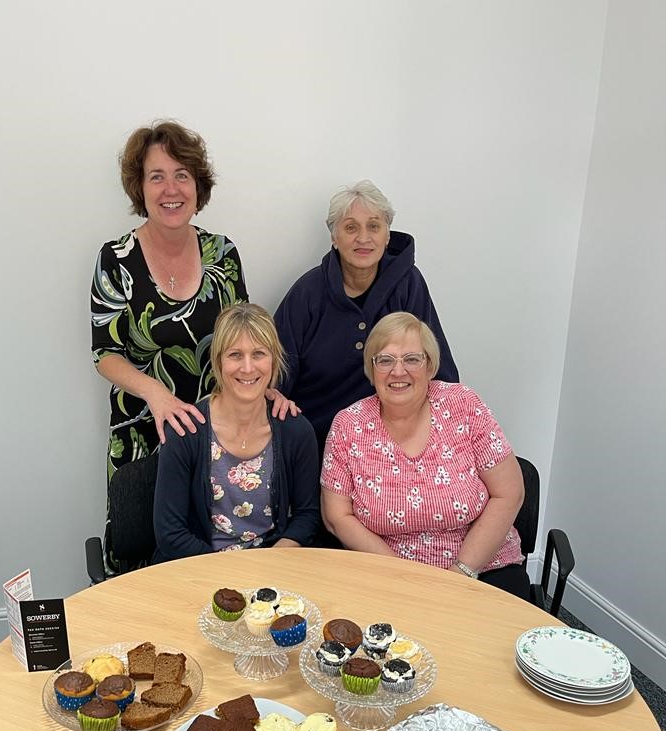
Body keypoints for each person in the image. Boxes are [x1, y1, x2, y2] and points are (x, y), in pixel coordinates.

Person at [90, 121, 291, 572]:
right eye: (156, 176)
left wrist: (262, 386)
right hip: (144, 432)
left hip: (219, 431)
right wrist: (158, 395)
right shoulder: (115, 258)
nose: (170, 188)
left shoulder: (223, 254)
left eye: (182, 174)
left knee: (215, 554)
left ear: (198, 186)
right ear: (139, 188)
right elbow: (105, 353)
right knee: (148, 560)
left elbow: (243, 338)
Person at [320, 313, 528, 599]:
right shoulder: (348, 425)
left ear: (430, 365)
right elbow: (337, 516)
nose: (398, 371)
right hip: (385, 572)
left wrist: (461, 572)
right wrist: (404, 578)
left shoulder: (463, 405)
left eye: (412, 359)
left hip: (482, 569)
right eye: (385, 360)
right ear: (371, 368)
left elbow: (509, 493)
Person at [275, 179, 459, 453]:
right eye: (350, 228)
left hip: (395, 440)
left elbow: (439, 371)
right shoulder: (307, 294)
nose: (363, 238)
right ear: (334, 238)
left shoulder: (408, 285)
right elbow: (274, 377)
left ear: (387, 235)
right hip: (318, 442)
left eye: (374, 226)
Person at [153, 304, 320, 562]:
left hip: (271, 571)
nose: (248, 367)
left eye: (259, 354)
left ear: (274, 359)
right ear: (218, 361)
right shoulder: (185, 432)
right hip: (198, 570)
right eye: (235, 355)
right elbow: (170, 534)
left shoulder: (296, 431)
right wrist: (231, 575)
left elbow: (307, 516)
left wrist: (269, 564)